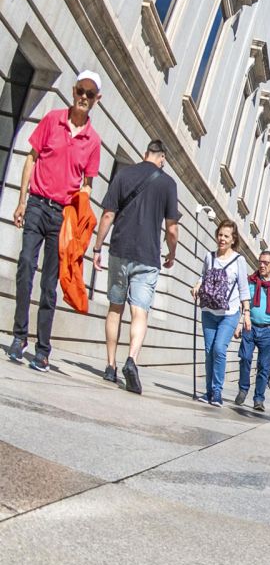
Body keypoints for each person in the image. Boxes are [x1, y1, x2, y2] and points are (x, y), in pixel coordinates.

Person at [7, 71, 103, 372]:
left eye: (90, 93)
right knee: (25, 265)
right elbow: (31, 158)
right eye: (80, 91)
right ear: (73, 91)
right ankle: (19, 335)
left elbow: (87, 184)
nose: (84, 97)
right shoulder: (52, 119)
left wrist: (78, 216)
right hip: (36, 203)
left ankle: (43, 349)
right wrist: (22, 201)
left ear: (97, 99)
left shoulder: (94, 141)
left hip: (62, 216)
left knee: (50, 283)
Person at [91, 139, 179, 393]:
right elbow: (172, 229)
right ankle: (132, 359)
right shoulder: (168, 183)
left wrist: (97, 248)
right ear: (162, 158)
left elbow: (108, 214)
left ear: (145, 153)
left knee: (115, 308)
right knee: (140, 311)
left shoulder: (125, 174)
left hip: (120, 250)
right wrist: (171, 253)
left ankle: (110, 366)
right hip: (148, 256)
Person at [192, 220, 250, 406]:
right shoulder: (209, 257)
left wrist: (246, 314)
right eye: (220, 235)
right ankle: (208, 392)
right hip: (209, 310)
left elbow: (243, 288)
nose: (222, 239)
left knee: (219, 349)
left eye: (226, 236)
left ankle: (217, 392)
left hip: (229, 312)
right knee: (209, 351)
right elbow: (204, 276)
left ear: (233, 240)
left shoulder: (239, 260)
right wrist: (197, 285)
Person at [234, 250, 270, 412]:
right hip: (249, 326)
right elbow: (242, 303)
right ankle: (243, 389)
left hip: (269, 330)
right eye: (260, 261)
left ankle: (259, 398)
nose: (262, 265)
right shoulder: (251, 281)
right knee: (245, 358)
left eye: (266, 262)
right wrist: (239, 323)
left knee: (263, 366)